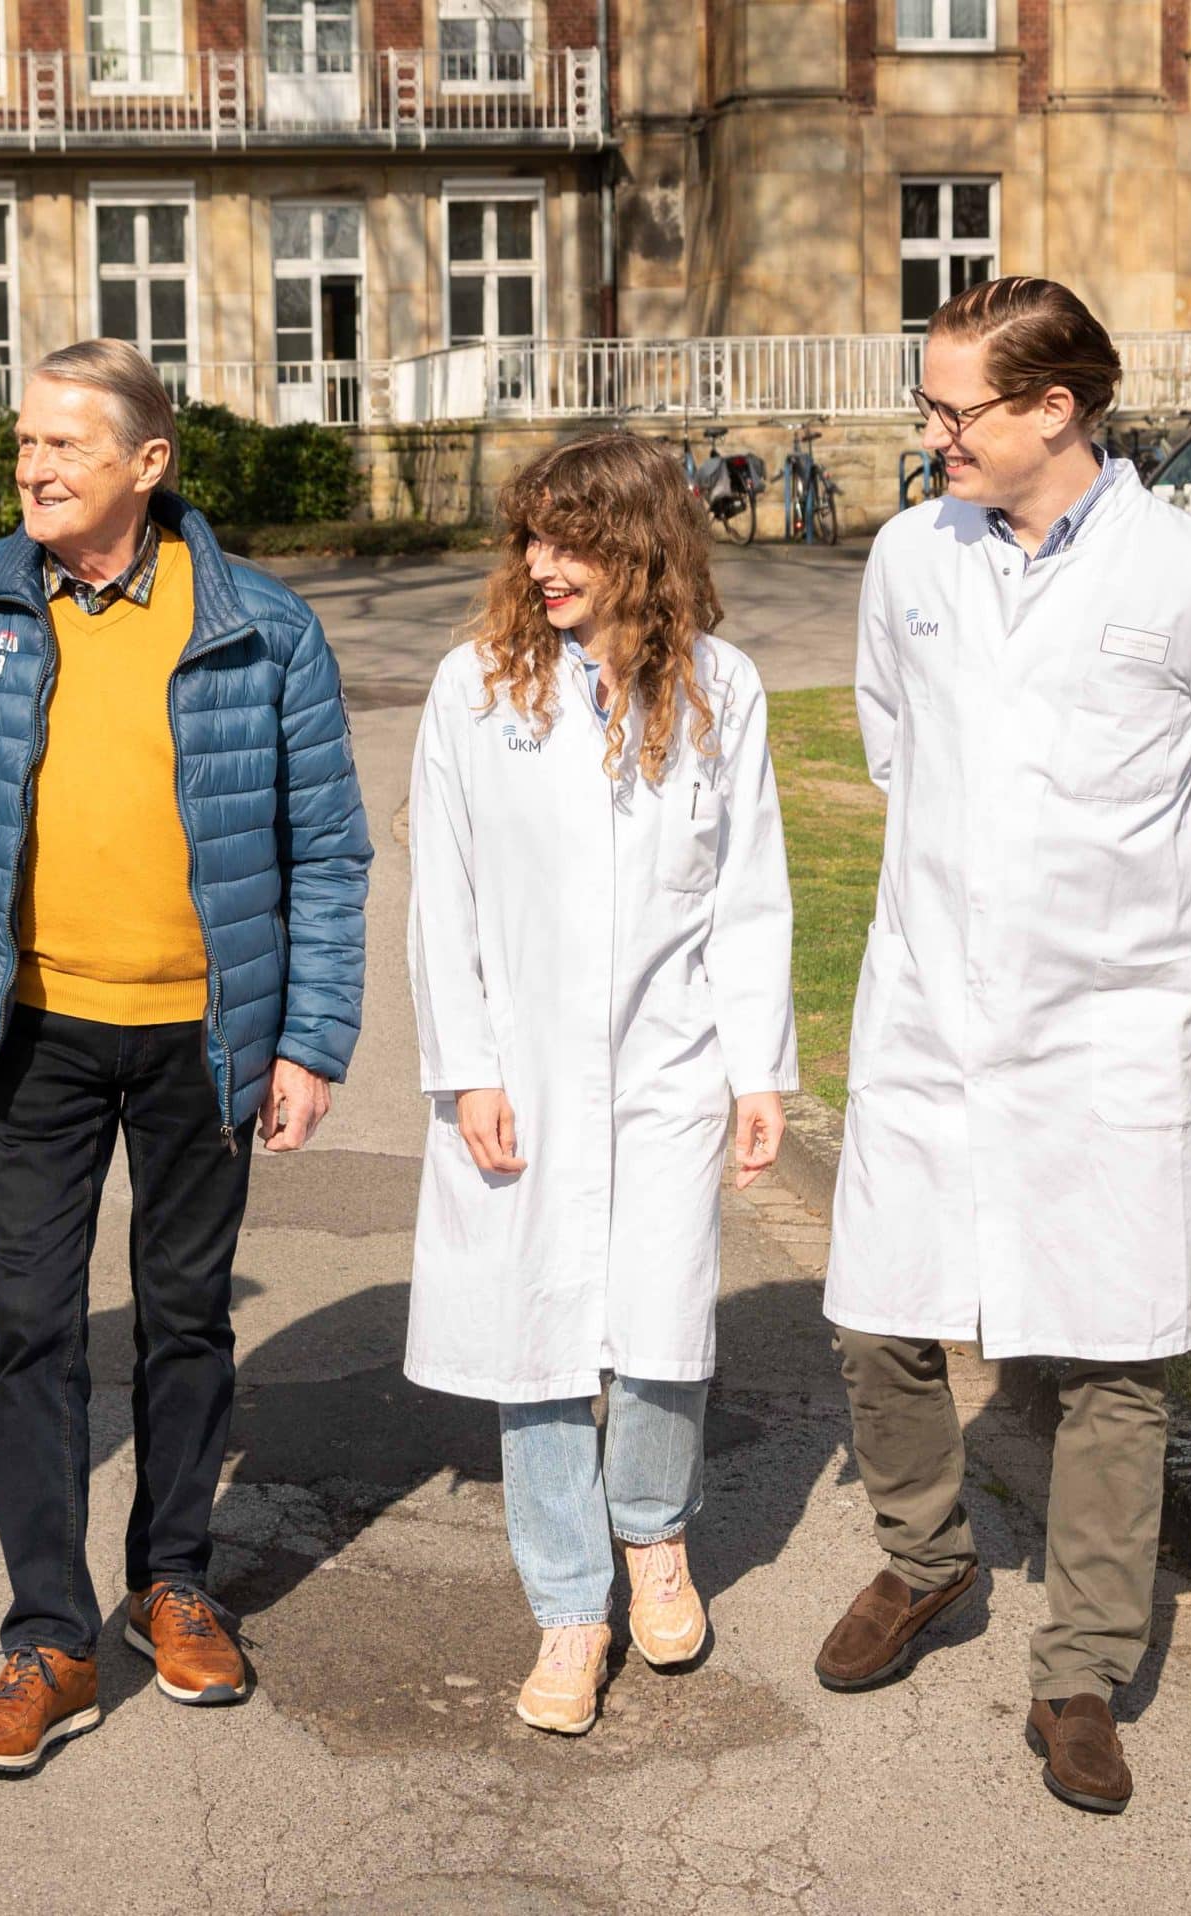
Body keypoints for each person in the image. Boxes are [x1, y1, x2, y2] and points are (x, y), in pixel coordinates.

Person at [814, 277, 1191, 1815]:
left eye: (955, 410)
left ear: (1053, 411)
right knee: (880, 1316)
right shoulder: (911, 556)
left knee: (1117, 1347)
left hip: (1109, 1023)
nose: (931, 432)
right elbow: (896, 741)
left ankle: (1081, 1670)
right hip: (932, 1008)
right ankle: (926, 1561)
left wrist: (1094, 903)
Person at [0, 339, 372, 1775]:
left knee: (184, 1316)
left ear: (149, 466)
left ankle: (175, 1583)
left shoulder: (260, 627)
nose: (31, 469)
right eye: (23, 445)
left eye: (64, 449)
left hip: (202, 1038)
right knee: (32, 1326)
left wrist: (309, 1039)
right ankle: (46, 1637)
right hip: (27, 1030)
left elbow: (325, 856)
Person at [404, 432, 799, 1735]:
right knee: (536, 1338)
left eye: (571, 541)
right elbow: (442, 891)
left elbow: (750, 893)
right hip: (523, 1068)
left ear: (641, 545)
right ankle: (570, 1605)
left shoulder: (719, 690)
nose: (541, 564)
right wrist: (467, 1069)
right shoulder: (476, 687)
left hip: (670, 1062)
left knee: (662, 1320)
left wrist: (758, 1067)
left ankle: (653, 1536)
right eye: (530, 539)